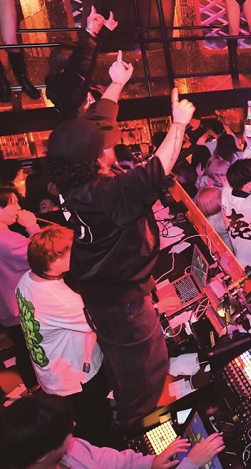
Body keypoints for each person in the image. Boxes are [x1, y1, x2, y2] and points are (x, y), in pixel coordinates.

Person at [43, 88, 196, 429]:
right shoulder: (103, 195)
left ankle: (131, 416)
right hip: (122, 305)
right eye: (105, 145)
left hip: (104, 295)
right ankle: (143, 437)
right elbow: (152, 174)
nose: (111, 145)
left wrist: (116, 84)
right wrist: (178, 125)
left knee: (127, 369)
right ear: (96, 158)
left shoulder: (72, 179)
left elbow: (95, 122)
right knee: (146, 374)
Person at [16, 225, 111, 445]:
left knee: (79, 421)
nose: (76, 253)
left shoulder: (27, 279)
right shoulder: (59, 300)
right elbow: (104, 322)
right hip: (76, 377)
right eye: (70, 251)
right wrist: (157, 308)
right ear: (54, 261)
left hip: (52, 373)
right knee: (95, 425)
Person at [0, 394, 225, 469]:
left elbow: (111, 461)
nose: (74, 425)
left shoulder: (69, 450)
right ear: (41, 455)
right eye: (64, 433)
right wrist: (190, 464)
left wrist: (150, 463)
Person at [0, 184, 40, 391]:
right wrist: (32, 227)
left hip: (7, 306)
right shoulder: (7, 239)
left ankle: (33, 388)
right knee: (30, 349)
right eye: (13, 203)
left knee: (24, 348)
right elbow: (41, 256)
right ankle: (36, 388)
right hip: (20, 306)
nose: (18, 208)